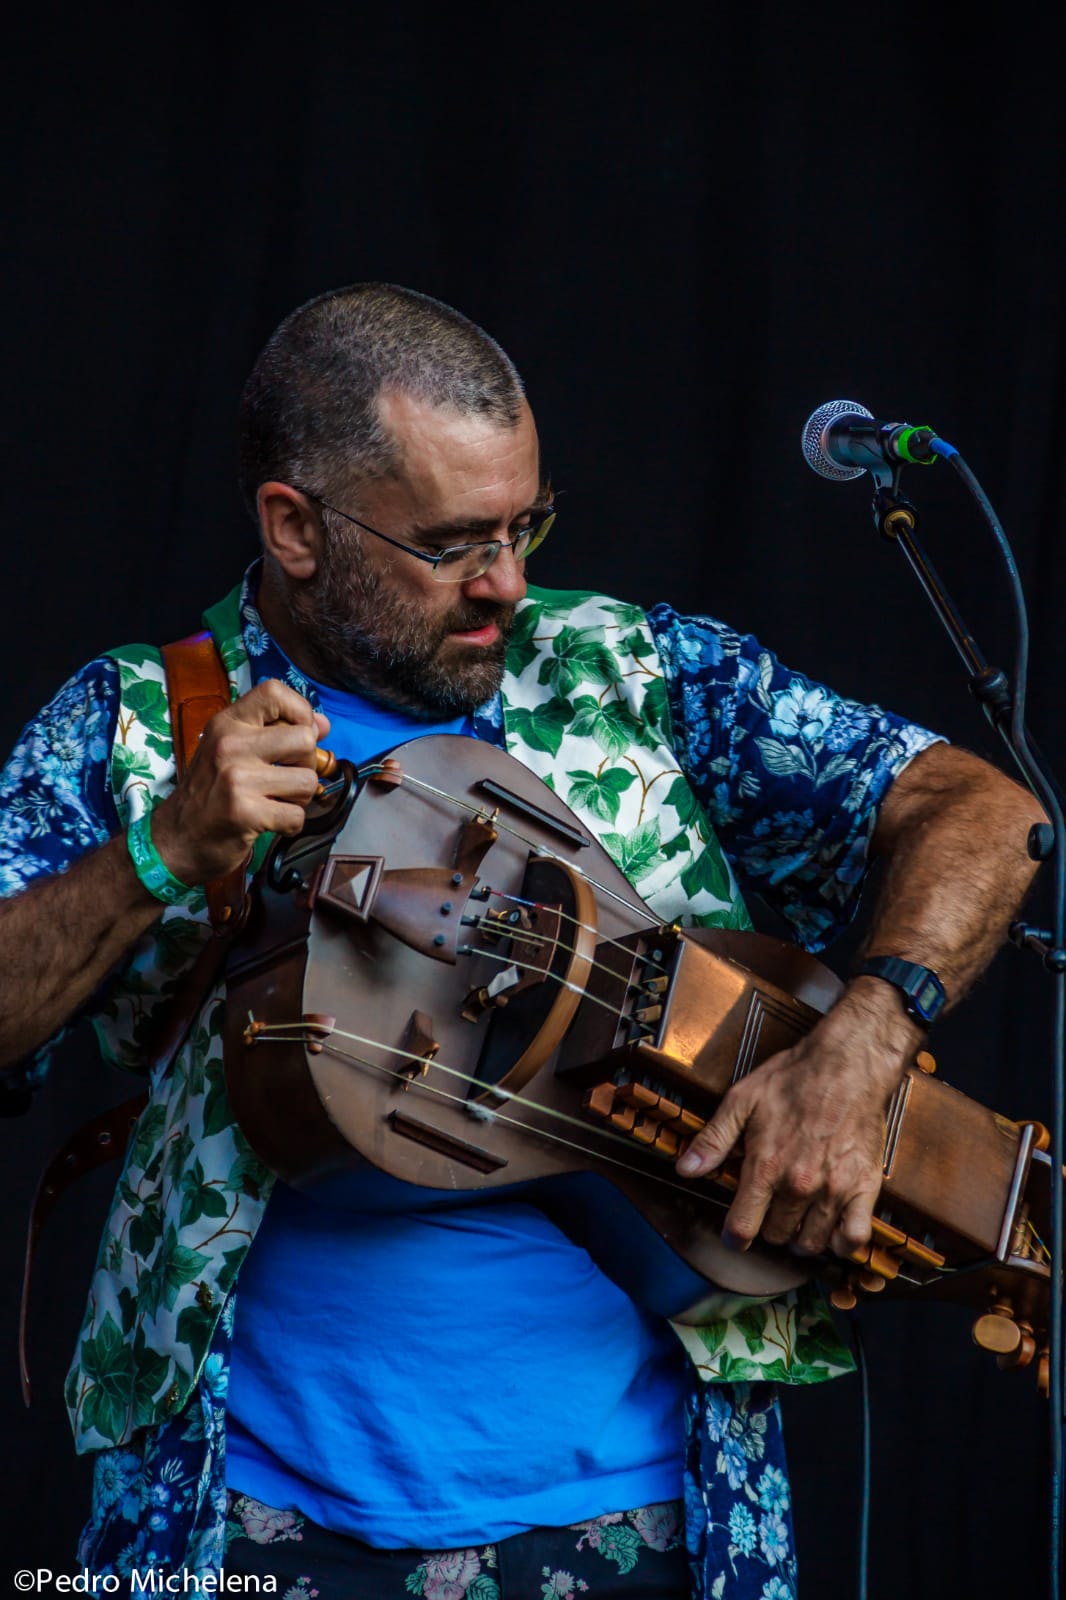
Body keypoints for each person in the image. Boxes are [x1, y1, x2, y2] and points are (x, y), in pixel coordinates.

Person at [0, 283, 1042, 1600]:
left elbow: (980, 810)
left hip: (648, 1519)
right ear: (294, 526)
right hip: (240, 1512)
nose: (507, 583)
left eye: (524, 525)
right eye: (452, 543)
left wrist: (863, 1043)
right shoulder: (140, 722)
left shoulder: (636, 675)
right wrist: (159, 853)